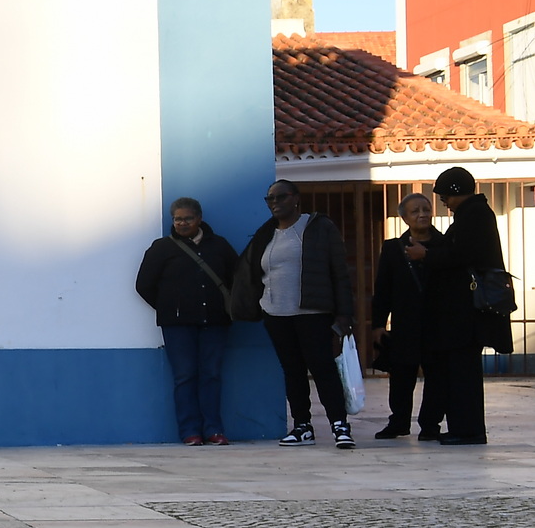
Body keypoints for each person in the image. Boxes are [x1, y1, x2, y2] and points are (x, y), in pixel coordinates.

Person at [233, 179, 356, 448]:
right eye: (270, 199)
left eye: (281, 197)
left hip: (312, 312)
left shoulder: (318, 227)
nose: (275, 203)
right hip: (276, 314)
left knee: (323, 368)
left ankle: (339, 425)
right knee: (293, 371)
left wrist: (344, 314)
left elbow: (340, 272)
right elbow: (253, 271)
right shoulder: (266, 233)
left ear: (296, 198)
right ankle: (302, 427)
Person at [406, 166, 510, 444]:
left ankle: (469, 430)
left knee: (464, 374)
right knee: (458, 372)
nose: (444, 203)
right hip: (460, 315)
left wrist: (426, 255)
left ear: (457, 192)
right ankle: (462, 428)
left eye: (446, 196)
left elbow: (463, 255)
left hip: (466, 315)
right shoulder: (470, 215)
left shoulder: (475, 215)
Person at [136, 197, 239, 445]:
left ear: (199, 219)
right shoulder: (161, 248)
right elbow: (144, 285)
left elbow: (236, 279)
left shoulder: (219, 246)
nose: (182, 223)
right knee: (184, 376)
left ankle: (214, 430)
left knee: (211, 375)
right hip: (178, 326)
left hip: (215, 322)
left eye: (188, 218)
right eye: (177, 219)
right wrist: (170, 308)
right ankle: (190, 431)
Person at [370, 192, 443, 440]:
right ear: (404, 218)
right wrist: (378, 324)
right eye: (415, 211)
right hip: (405, 323)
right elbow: (383, 289)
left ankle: (431, 425)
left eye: (426, 209)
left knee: (437, 377)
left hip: (437, 323)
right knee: (401, 374)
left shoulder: (444, 245)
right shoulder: (393, 248)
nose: (422, 214)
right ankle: (399, 421)